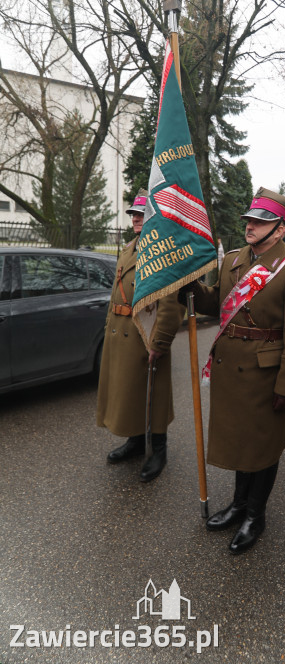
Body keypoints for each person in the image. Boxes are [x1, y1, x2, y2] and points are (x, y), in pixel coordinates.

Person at [190, 187, 285, 554]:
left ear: (279, 229)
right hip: (231, 373)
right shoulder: (233, 260)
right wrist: (188, 284)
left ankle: (255, 515)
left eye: (260, 221)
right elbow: (216, 304)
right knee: (239, 442)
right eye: (249, 219)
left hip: (267, 377)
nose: (250, 225)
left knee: (262, 448)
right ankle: (237, 505)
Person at [97, 190, 185, 482]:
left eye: (142, 213)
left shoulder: (162, 251)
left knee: (154, 397)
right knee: (128, 393)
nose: (136, 217)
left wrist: (159, 342)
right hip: (120, 333)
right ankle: (135, 442)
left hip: (145, 337)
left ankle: (158, 449)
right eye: (134, 213)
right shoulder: (129, 247)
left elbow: (171, 304)